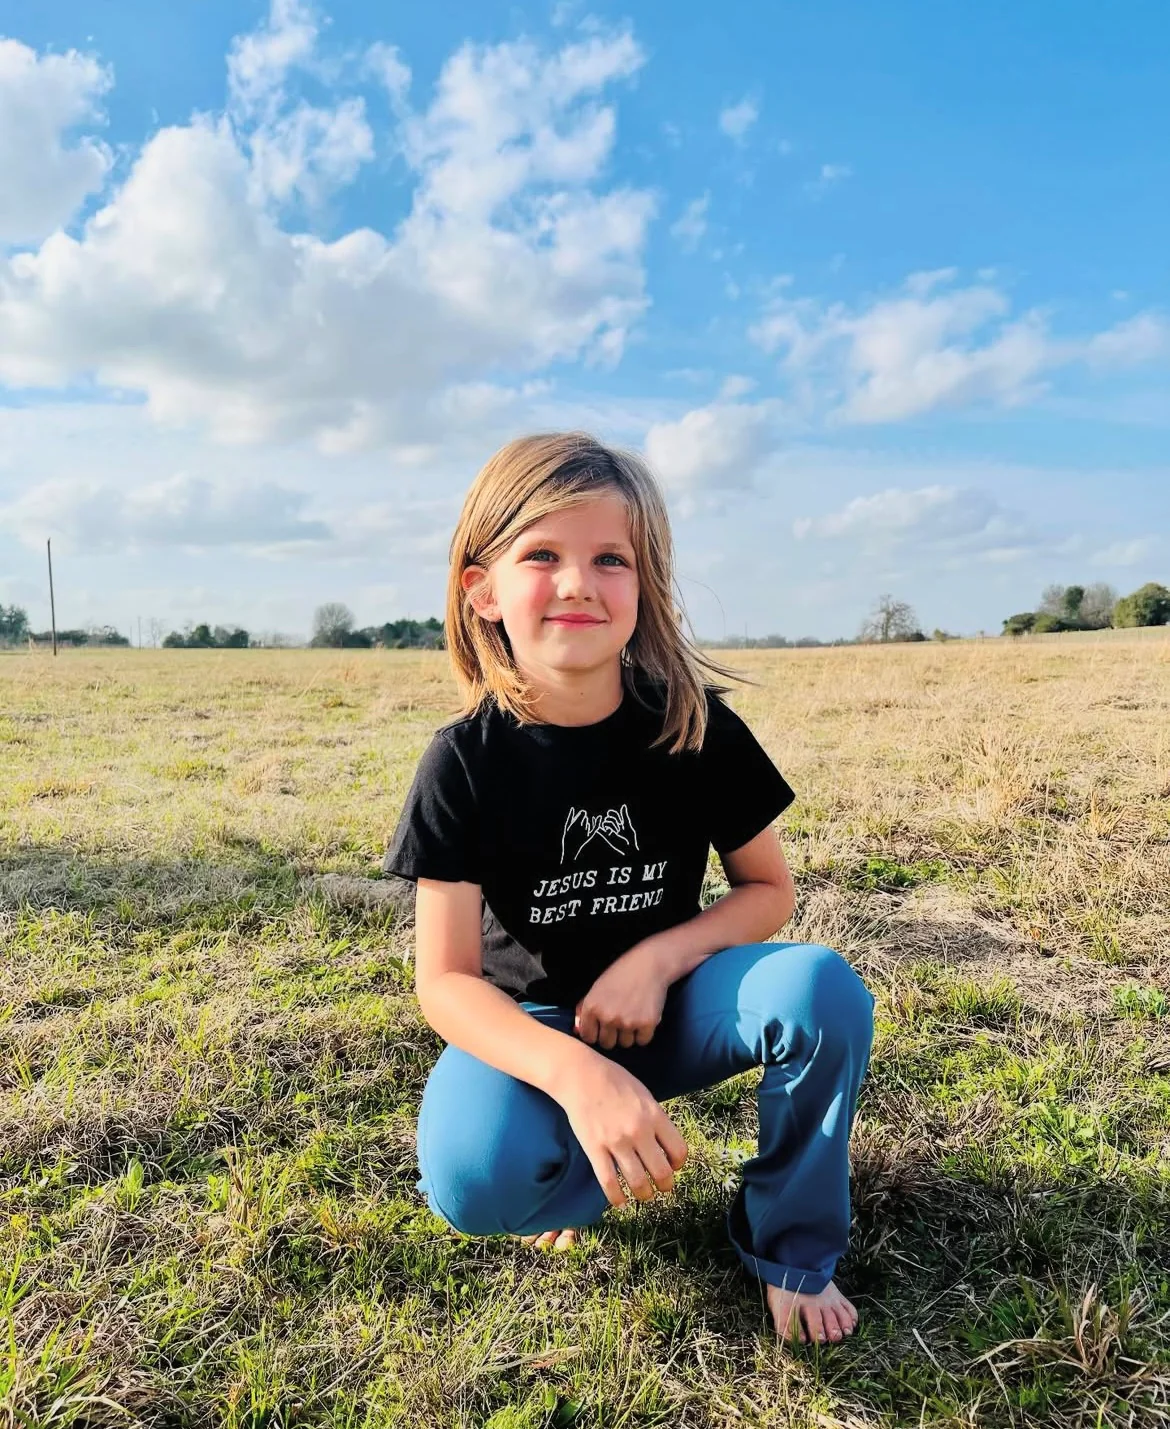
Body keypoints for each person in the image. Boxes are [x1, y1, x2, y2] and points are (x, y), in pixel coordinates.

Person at [383, 432, 875, 1346]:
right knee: (475, 1179)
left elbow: (768, 889)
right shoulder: (463, 761)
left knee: (819, 989)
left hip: (679, 1007)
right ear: (481, 588)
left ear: (643, 584)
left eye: (611, 558)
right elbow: (444, 980)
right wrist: (576, 1077)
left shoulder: (694, 724)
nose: (579, 583)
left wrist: (659, 958)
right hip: (539, 1029)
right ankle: (580, 1157)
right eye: (542, 555)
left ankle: (790, 1244)